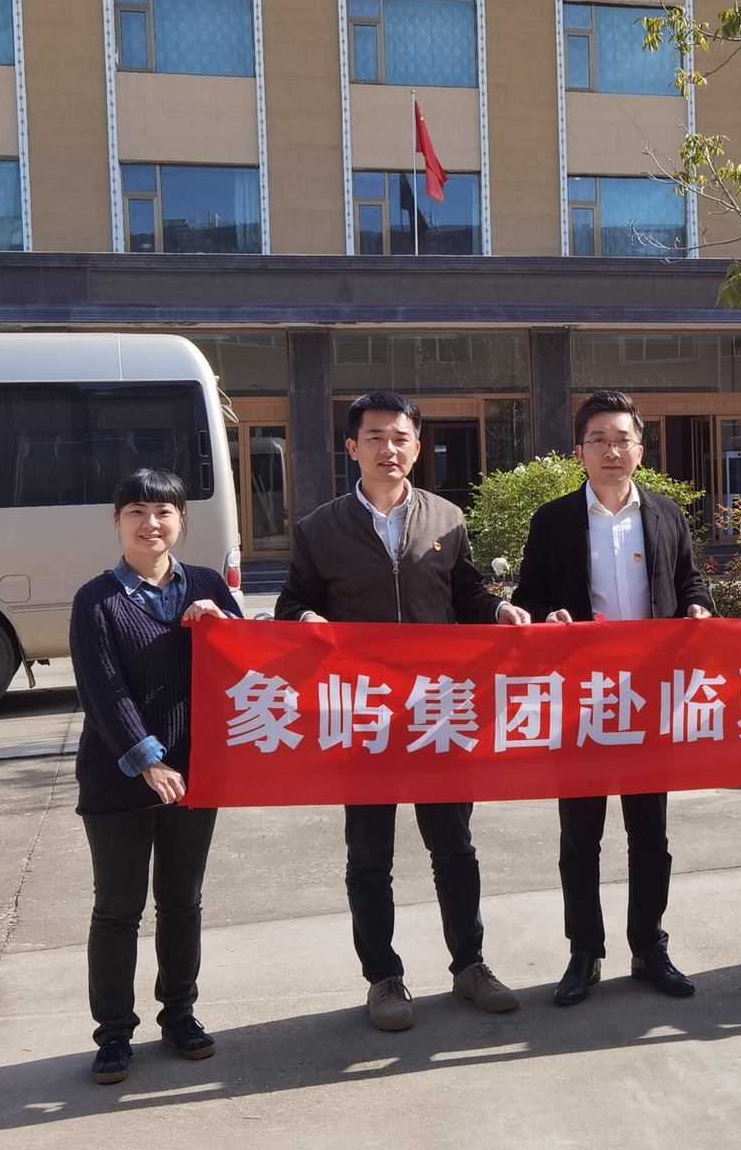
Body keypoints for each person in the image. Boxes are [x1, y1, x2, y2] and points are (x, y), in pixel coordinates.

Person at [276, 390, 532, 1030]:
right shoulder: (319, 528)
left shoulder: (446, 517)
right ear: (351, 448)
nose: (387, 449)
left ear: (417, 448)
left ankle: (470, 965)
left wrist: (498, 609)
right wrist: (305, 619)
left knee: (455, 846)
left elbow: (465, 593)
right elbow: (292, 603)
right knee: (370, 855)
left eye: (399, 438)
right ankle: (384, 979)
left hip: (436, 710)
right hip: (363, 715)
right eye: (374, 438)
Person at [513, 390, 713, 1007]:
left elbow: (690, 581)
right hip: (581, 700)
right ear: (579, 451)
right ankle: (584, 951)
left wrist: (698, 608)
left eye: (622, 439)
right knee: (581, 837)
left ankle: (649, 946)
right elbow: (528, 595)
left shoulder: (666, 515)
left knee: (650, 835)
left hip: (649, 700)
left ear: (640, 450)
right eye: (598, 439)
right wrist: (547, 616)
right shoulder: (554, 520)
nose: (611, 450)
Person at [70, 468, 241, 1085]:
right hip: (118, 780)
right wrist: (149, 759)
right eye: (137, 512)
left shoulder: (207, 583)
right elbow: (103, 689)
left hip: (196, 776)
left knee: (181, 902)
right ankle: (114, 1033)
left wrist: (224, 620)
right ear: (117, 521)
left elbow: (249, 659)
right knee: (118, 909)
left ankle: (180, 1015)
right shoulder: (97, 599)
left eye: (164, 512)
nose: (151, 524)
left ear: (181, 521)